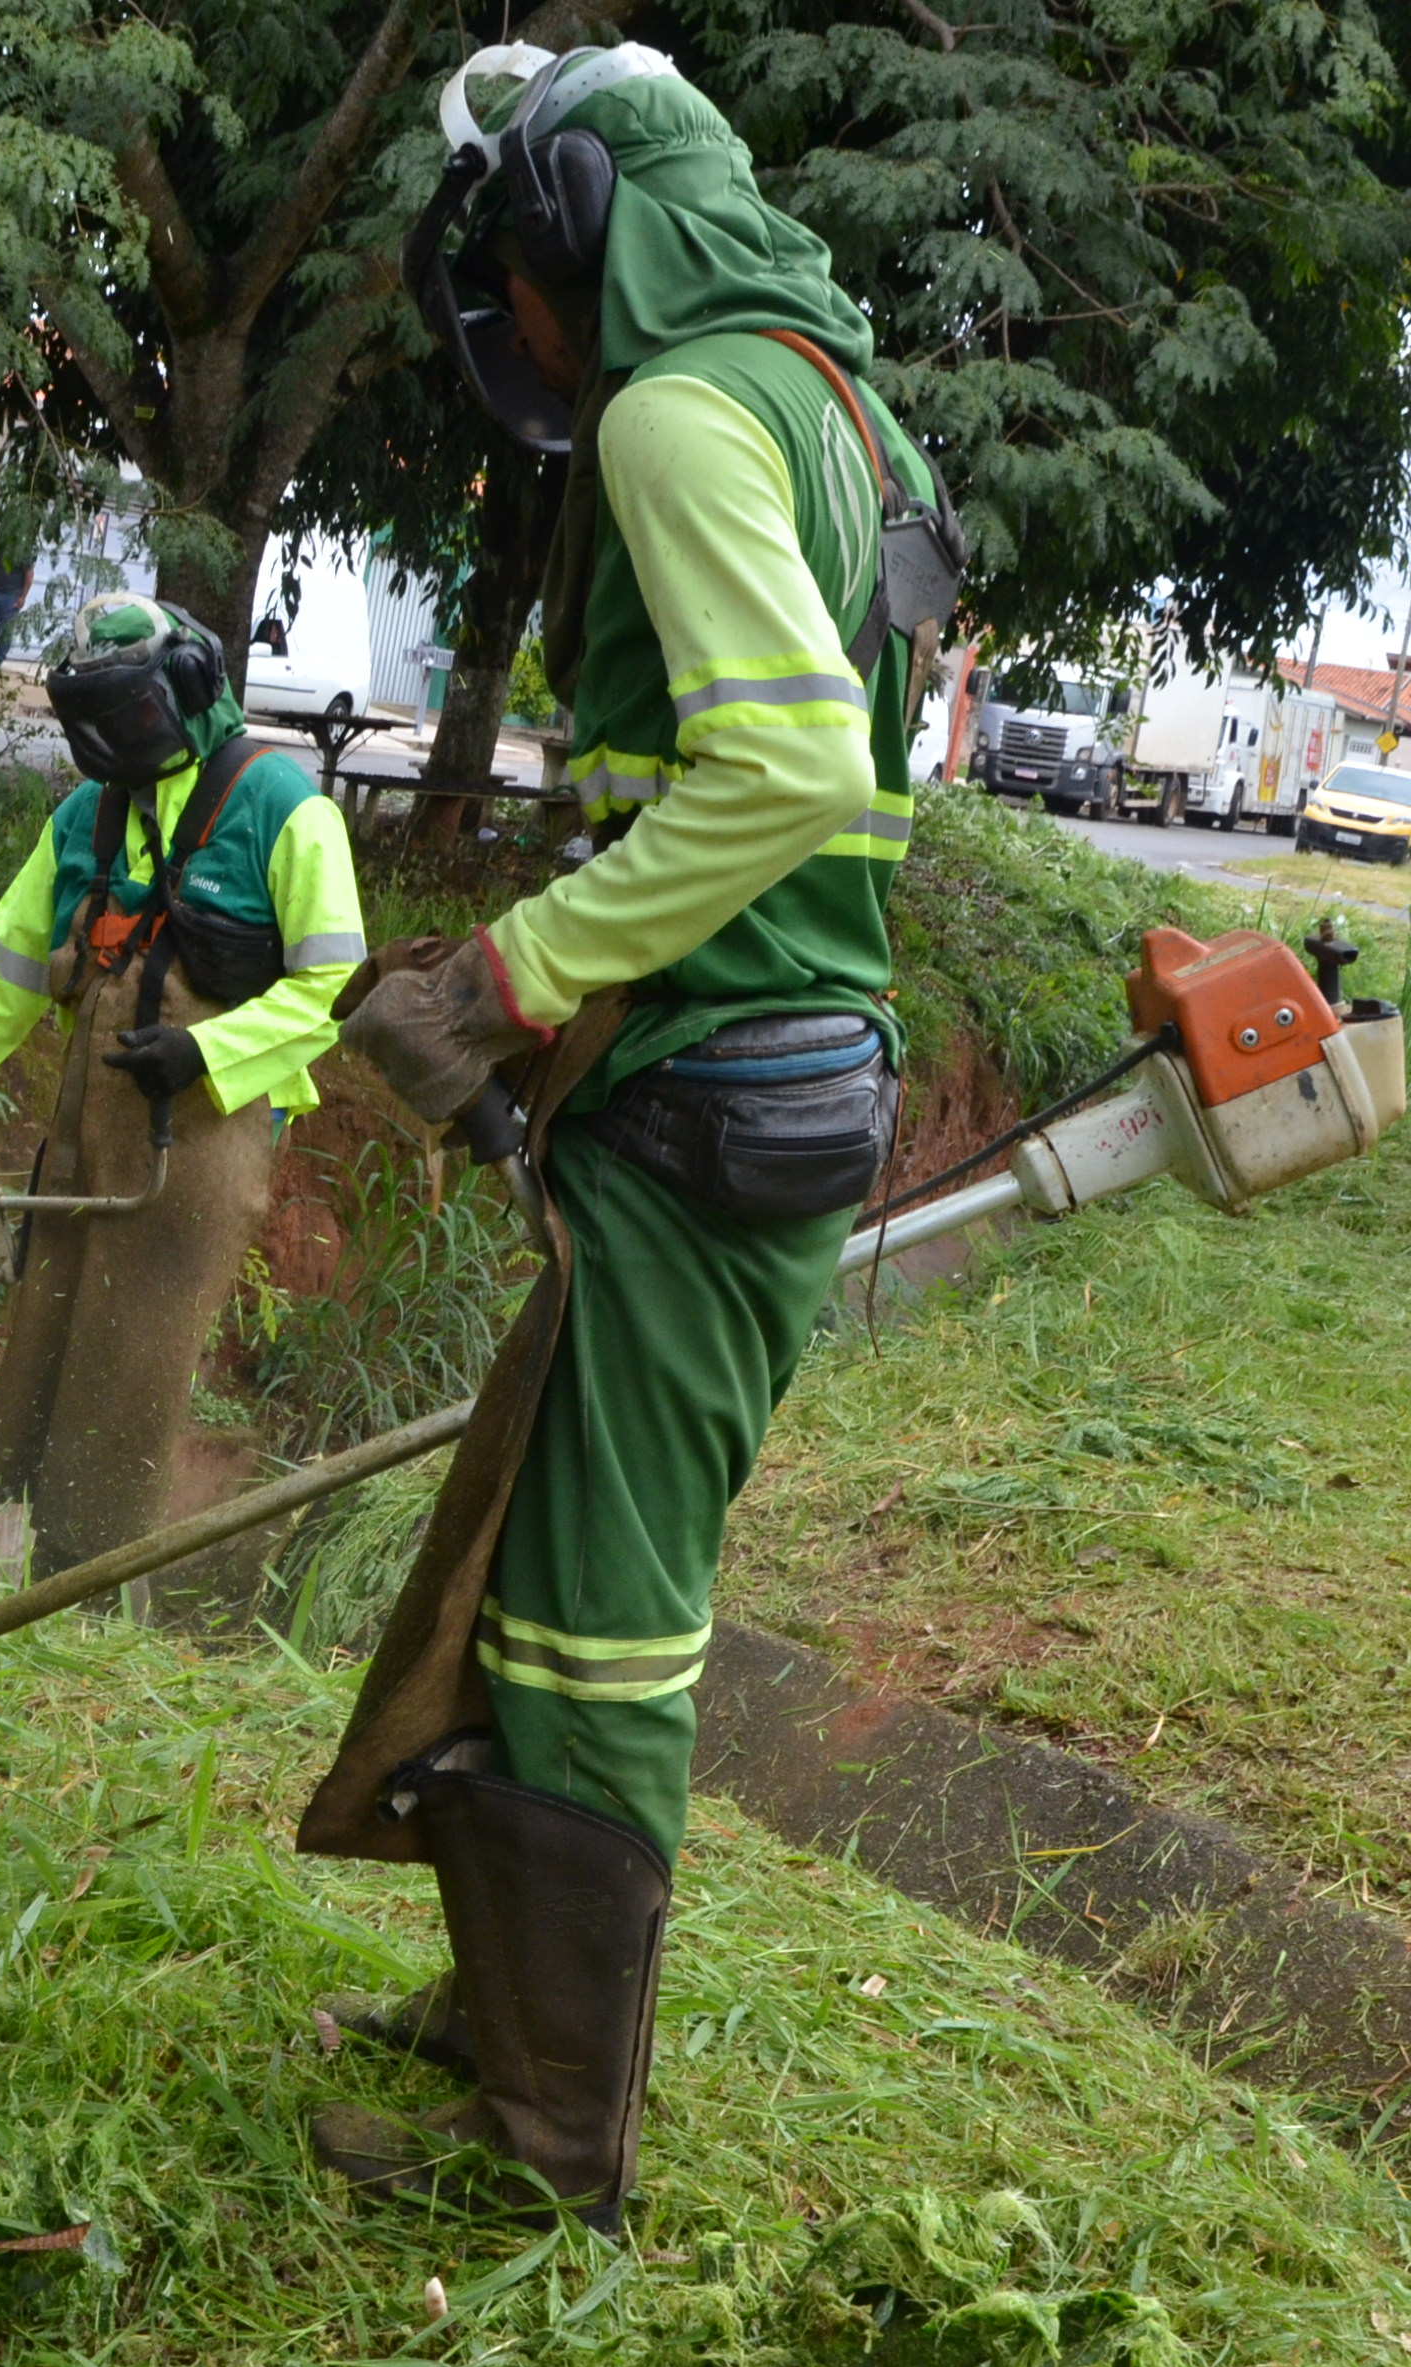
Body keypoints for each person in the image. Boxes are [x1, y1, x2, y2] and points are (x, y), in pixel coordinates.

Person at [300, 42, 956, 2226]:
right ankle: (506, 2007)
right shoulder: (834, 403)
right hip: (765, 1060)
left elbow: (777, 784)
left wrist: (516, 977)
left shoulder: (684, 415)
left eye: (515, 264)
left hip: (707, 1079)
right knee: (552, 1537)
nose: (516, 316)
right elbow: (859, 752)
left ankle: (546, 2146)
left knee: (601, 1615)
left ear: (579, 228)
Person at [0, 596, 364, 1574]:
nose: (110, 741)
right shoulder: (80, 822)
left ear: (188, 692)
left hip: (199, 1146)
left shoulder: (285, 811)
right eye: (91, 721)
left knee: (131, 1365)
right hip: (82, 1134)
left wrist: (209, 1056)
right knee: (47, 1343)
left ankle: (99, 1593)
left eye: (130, 716)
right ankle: (23, 1569)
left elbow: (338, 990)